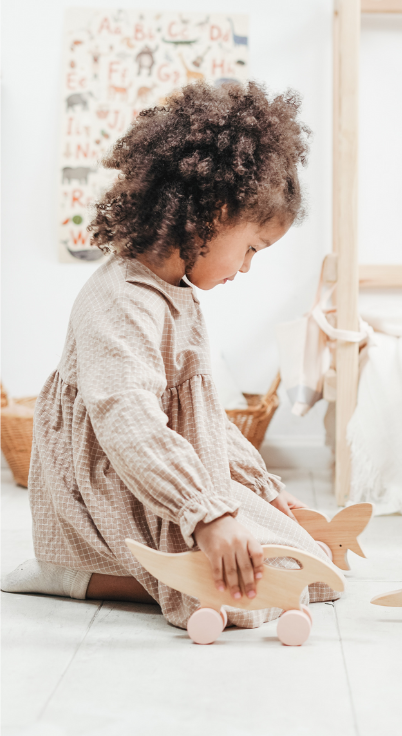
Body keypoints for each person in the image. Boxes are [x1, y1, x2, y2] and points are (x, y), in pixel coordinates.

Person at [0, 81, 334, 630]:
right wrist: (207, 515)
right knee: (249, 591)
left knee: (313, 569)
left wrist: (262, 488)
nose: (246, 268)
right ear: (214, 212)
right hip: (111, 492)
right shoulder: (118, 300)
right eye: (250, 247)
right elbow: (129, 422)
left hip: (168, 487)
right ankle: (73, 572)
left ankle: (147, 570)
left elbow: (203, 419)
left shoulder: (178, 293)